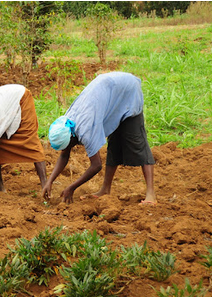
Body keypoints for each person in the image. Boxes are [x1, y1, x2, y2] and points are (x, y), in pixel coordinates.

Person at [41, 71, 157, 205]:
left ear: (71, 139)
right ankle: (105, 189)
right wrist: (49, 182)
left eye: (66, 146)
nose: (65, 150)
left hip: (127, 90)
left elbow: (96, 166)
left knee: (138, 142)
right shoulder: (67, 124)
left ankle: (151, 194)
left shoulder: (86, 130)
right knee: (114, 144)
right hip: (109, 93)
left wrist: (72, 187)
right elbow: (64, 156)